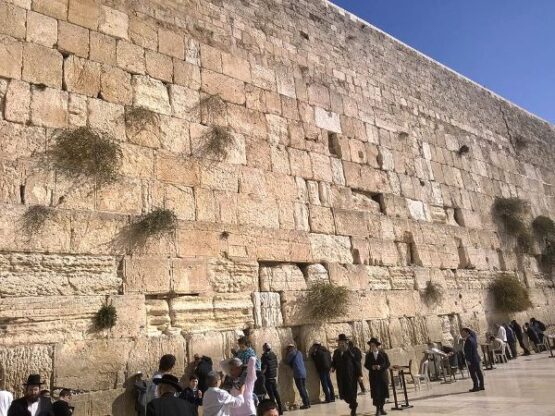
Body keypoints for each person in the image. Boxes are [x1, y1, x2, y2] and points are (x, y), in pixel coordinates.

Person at [332, 334, 362, 416]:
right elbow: (334, 362)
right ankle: (353, 404)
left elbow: (357, 363)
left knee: (351, 393)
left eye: (342, 342)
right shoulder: (336, 352)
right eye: (340, 342)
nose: (341, 344)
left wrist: (359, 375)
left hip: (350, 377)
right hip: (341, 377)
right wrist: (333, 367)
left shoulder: (351, 352)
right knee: (344, 395)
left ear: (346, 342)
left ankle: (353, 409)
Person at [364, 338, 390, 416]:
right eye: (371, 346)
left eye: (373, 345)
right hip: (373, 377)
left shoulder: (383, 354)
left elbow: (387, 364)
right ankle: (377, 409)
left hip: (382, 376)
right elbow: (366, 365)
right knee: (376, 393)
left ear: (377, 346)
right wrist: (371, 367)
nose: (372, 347)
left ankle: (381, 408)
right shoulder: (368, 355)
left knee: (383, 392)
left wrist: (380, 367)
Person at [285, 344, 310, 409]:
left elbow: (287, 361)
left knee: (301, 389)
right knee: (303, 388)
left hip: (298, 373)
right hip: (303, 372)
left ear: (290, 348)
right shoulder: (299, 352)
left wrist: (287, 354)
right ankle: (308, 403)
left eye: (288, 349)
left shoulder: (291, 353)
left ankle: (306, 404)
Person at [260, 344, 283, 415]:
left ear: (264, 349)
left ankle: (273, 410)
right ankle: (280, 410)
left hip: (268, 378)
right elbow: (276, 365)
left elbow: (264, 367)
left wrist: (261, 374)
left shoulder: (264, 357)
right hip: (273, 377)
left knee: (271, 396)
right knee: (276, 394)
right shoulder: (273, 355)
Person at [461, 327, 484, 392]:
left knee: (473, 373)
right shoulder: (473, 338)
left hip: (472, 359)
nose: (462, 334)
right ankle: (481, 385)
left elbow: (469, 352)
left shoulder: (468, 340)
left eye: (463, 332)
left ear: (467, 332)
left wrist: (468, 360)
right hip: (476, 358)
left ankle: (476, 386)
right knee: (479, 372)